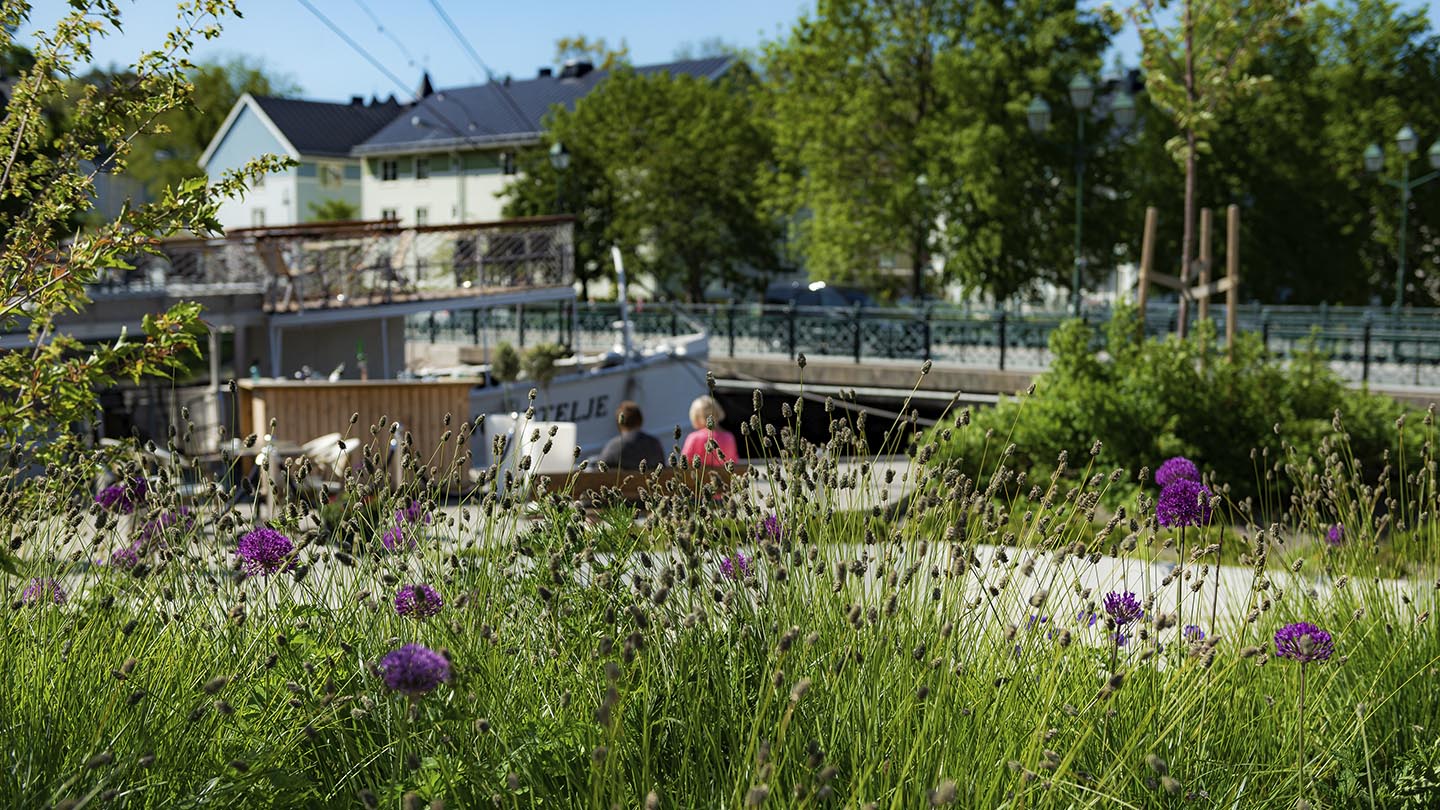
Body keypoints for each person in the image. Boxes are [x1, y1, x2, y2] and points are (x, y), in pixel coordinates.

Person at [597, 400, 666, 470]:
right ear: (640, 420)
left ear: (619, 422)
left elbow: (600, 470)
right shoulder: (653, 444)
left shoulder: (613, 447)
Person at [680, 395, 739, 468]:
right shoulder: (729, 437)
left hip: (702, 479)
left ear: (697, 416)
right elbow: (734, 461)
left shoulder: (694, 438)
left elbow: (685, 464)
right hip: (725, 478)